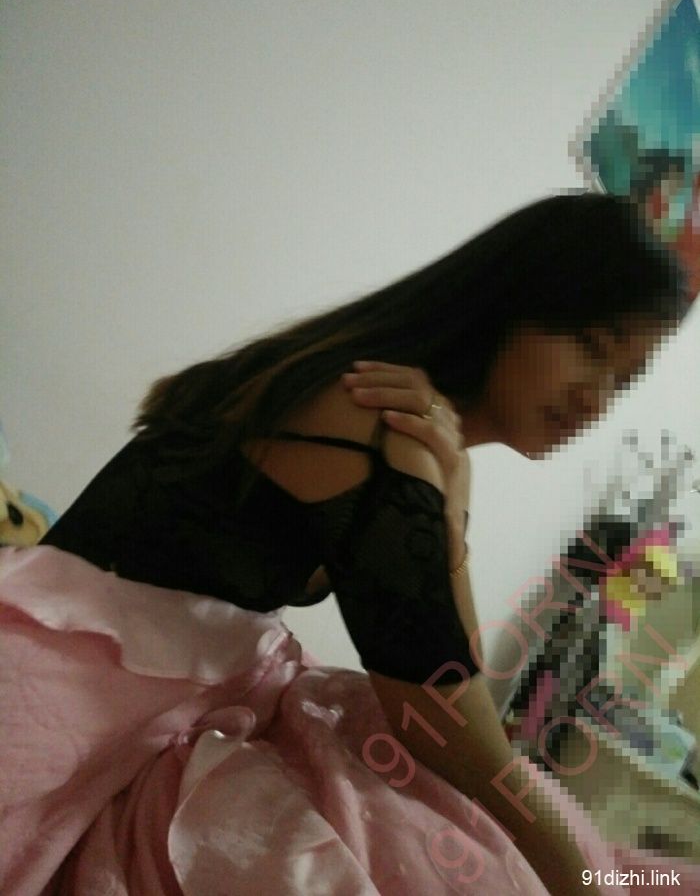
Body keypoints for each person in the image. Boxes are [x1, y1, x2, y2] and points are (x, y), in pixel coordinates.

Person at [1, 192, 697, 896]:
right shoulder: (373, 420)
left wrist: (452, 504)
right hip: (72, 688)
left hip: (142, 681)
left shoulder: (406, 431)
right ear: (508, 303)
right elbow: (442, 722)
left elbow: (450, 682)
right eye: (591, 349)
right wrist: (577, 878)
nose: (594, 400)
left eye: (621, 381)